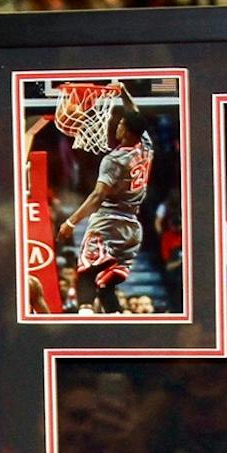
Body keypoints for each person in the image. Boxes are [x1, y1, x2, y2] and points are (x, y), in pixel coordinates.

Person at [56, 87, 153, 313]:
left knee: (85, 274)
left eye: (120, 124)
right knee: (106, 283)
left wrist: (71, 222)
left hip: (109, 222)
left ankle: (84, 319)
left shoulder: (114, 160)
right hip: (132, 227)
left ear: (127, 131)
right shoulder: (146, 147)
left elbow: (98, 195)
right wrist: (124, 93)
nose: (117, 126)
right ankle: (117, 319)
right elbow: (136, 113)